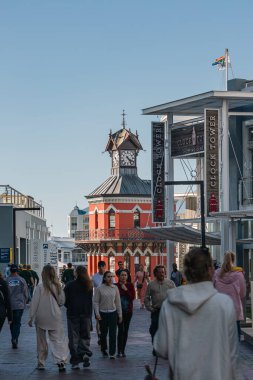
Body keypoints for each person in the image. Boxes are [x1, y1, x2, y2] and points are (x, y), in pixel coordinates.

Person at [154, 247, 241, 380]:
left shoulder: (170, 305)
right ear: (210, 270)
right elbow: (232, 355)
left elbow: (161, 348)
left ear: (186, 273)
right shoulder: (224, 304)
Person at [28, 265, 69, 372]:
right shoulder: (58, 286)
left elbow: (34, 303)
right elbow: (62, 301)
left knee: (41, 341)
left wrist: (30, 317)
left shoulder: (40, 287)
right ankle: (61, 361)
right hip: (55, 316)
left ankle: (41, 362)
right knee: (57, 340)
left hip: (41, 317)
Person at [64, 266, 93, 370]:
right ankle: (85, 353)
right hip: (85, 314)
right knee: (85, 336)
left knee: (73, 338)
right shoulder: (89, 285)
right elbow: (90, 302)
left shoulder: (69, 285)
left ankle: (75, 361)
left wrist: (70, 307)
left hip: (73, 314)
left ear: (76, 273)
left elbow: (65, 301)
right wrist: (90, 316)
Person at [213, 251, 246, 340]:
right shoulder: (239, 274)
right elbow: (243, 294)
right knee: (235, 340)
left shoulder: (216, 273)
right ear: (233, 260)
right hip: (234, 310)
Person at [94, 271, 122, 359]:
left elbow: (118, 302)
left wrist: (120, 314)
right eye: (108, 277)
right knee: (103, 334)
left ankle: (112, 353)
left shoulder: (115, 288)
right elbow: (95, 302)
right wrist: (97, 313)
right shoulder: (99, 288)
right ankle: (103, 348)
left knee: (113, 334)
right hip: (102, 313)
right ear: (104, 278)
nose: (110, 278)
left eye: (111, 276)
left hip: (113, 313)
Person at [144, 265, 175, 344]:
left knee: (167, 330)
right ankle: (155, 348)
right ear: (155, 273)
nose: (162, 274)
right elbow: (146, 298)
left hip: (168, 311)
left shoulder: (170, 283)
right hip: (156, 311)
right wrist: (149, 308)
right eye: (160, 272)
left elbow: (176, 295)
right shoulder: (151, 284)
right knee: (154, 329)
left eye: (163, 272)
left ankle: (166, 347)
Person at [7, 264, 29, 348]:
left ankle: (13, 337)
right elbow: (26, 292)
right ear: (17, 270)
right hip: (19, 304)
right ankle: (15, 338)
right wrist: (26, 301)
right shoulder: (21, 280)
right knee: (17, 322)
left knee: (11, 323)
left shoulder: (7, 280)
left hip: (9, 305)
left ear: (10, 270)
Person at [116, 270, 135, 357]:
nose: (123, 277)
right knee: (120, 330)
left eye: (125, 275)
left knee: (125, 330)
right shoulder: (115, 286)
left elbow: (132, 298)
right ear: (119, 276)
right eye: (122, 275)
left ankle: (123, 350)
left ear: (127, 276)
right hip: (118, 312)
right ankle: (118, 350)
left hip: (128, 311)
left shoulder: (130, 285)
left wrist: (126, 289)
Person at [92, 260, 106, 345]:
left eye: (103, 267)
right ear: (98, 267)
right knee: (98, 320)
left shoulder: (109, 276)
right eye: (100, 267)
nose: (101, 268)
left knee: (105, 322)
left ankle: (103, 335)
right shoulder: (94, 277)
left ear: (105, 267)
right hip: (97, 301)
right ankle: (99, 337)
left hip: (107, 302)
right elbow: (91, 288)